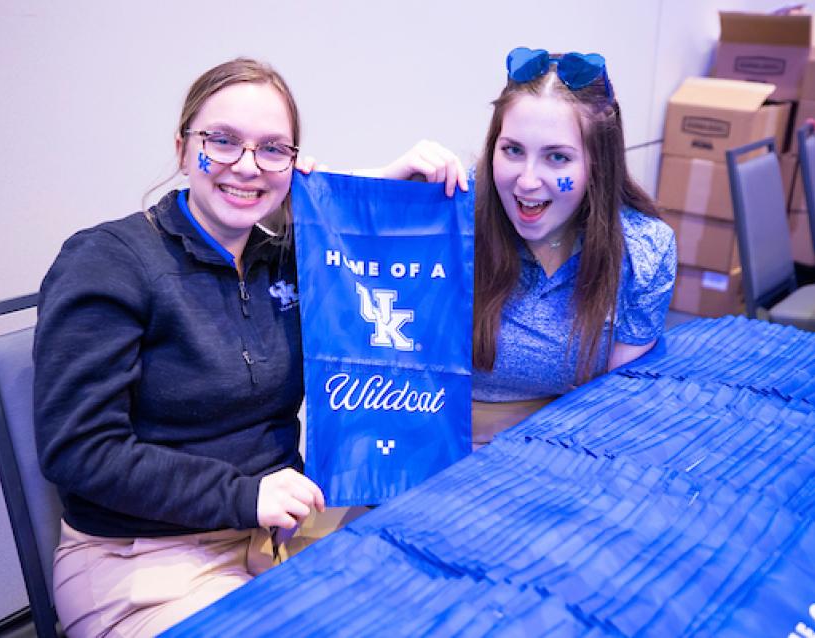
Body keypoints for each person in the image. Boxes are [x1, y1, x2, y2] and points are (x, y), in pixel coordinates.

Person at [33, 57, 461, 637]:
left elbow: (349, 248)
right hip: (144, 560)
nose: (246, 165)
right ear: (184, 148)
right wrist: (245, 496)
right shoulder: (107, 261)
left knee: (447, 593)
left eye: (273, 149)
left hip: (283, 533)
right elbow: (79, 451)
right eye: (223, 141)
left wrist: (379, 185)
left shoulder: (284, 257)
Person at [468, 48, 676, 446]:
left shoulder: (643, 251)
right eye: (512, 150)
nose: (527, 181)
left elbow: (613, 406)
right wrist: (383, 179)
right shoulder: (450, 212)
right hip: (436, 453)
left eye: (557, 157)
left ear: (597, 163)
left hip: (561, 452)